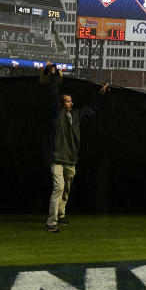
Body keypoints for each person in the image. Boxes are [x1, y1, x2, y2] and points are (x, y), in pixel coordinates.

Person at [40, 62, 109, 233]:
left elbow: (92, 109)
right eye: (67, 101)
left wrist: (100, 95)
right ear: (62, 104)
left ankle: (61, 214)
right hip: (56, 158)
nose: (71, 103)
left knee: (66, 189)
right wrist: (54, 75)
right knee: (59, 187)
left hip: (71, 159)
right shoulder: (57, 115)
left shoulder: (76, 115)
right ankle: (51, 222)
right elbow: (54, 94)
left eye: (71, 101)